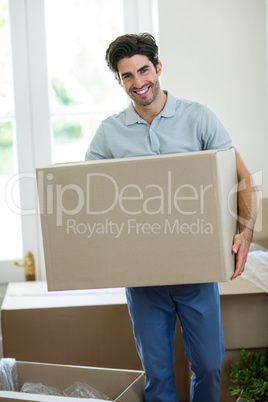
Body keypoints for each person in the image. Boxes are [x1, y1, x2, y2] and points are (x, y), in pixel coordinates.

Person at [85, 33, 258, 402]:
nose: (138, 82)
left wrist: (245, 233)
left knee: (209, 367)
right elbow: (89, 196)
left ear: (158, 67)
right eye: (127, 75)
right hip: (142, 276)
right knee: (158, 376)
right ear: (118, 81)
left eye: (143, 70)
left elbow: (242, 178)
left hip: (196, 271)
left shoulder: (198, 117)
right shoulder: (109, 134)